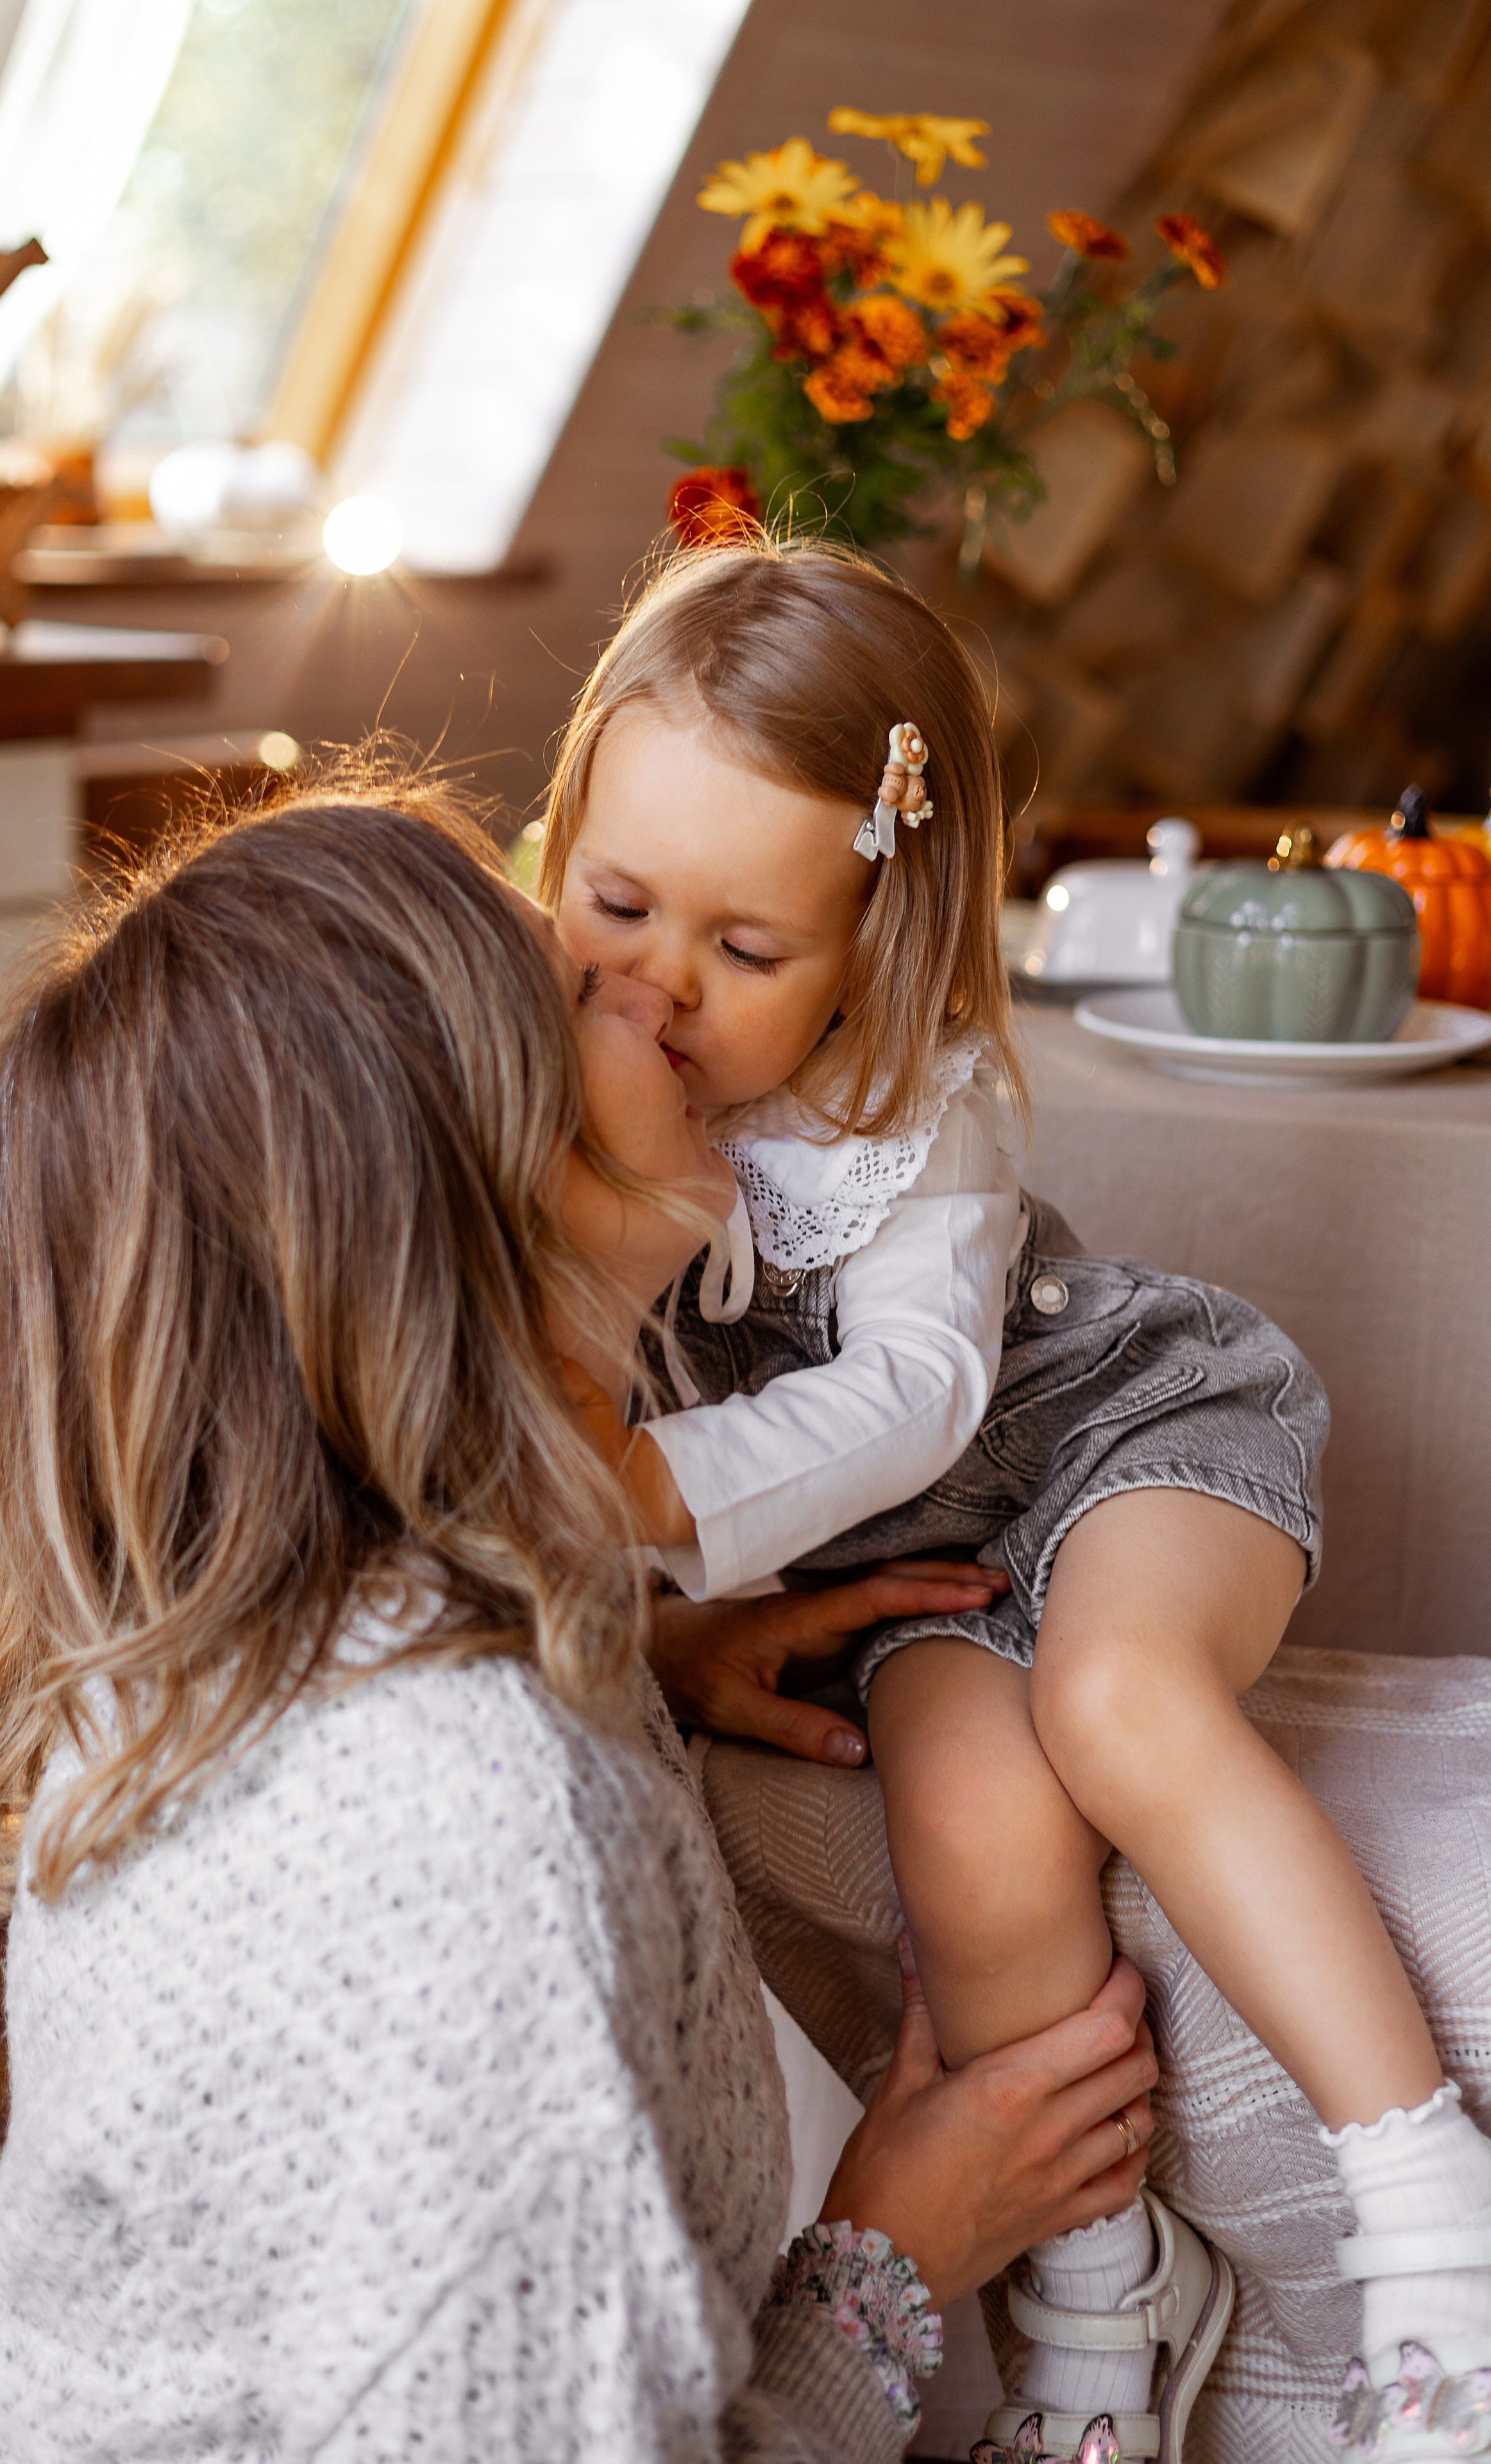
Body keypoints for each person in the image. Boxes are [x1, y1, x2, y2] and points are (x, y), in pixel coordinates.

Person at [0, 774, 1157, 2464]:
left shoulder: (278, 1644)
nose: (654, 987)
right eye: (577, 980)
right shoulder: (460, 1825)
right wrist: (889, 2257)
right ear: (480, 1175)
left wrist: (644, 1643)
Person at [544, 535, 1491, 2464]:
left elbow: (920, 1391)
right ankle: (1100, 2298)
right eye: (618, 902)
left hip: (1113, 1438)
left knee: (1118, 1706)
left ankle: (1432, 2229)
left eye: (742, 952)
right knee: (974, 1843)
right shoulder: (536, 1055)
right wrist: (656, 1613)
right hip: (918, 1573)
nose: (656, 985)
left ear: (870, 951)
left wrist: (647, 1487)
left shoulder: (917, 1097)